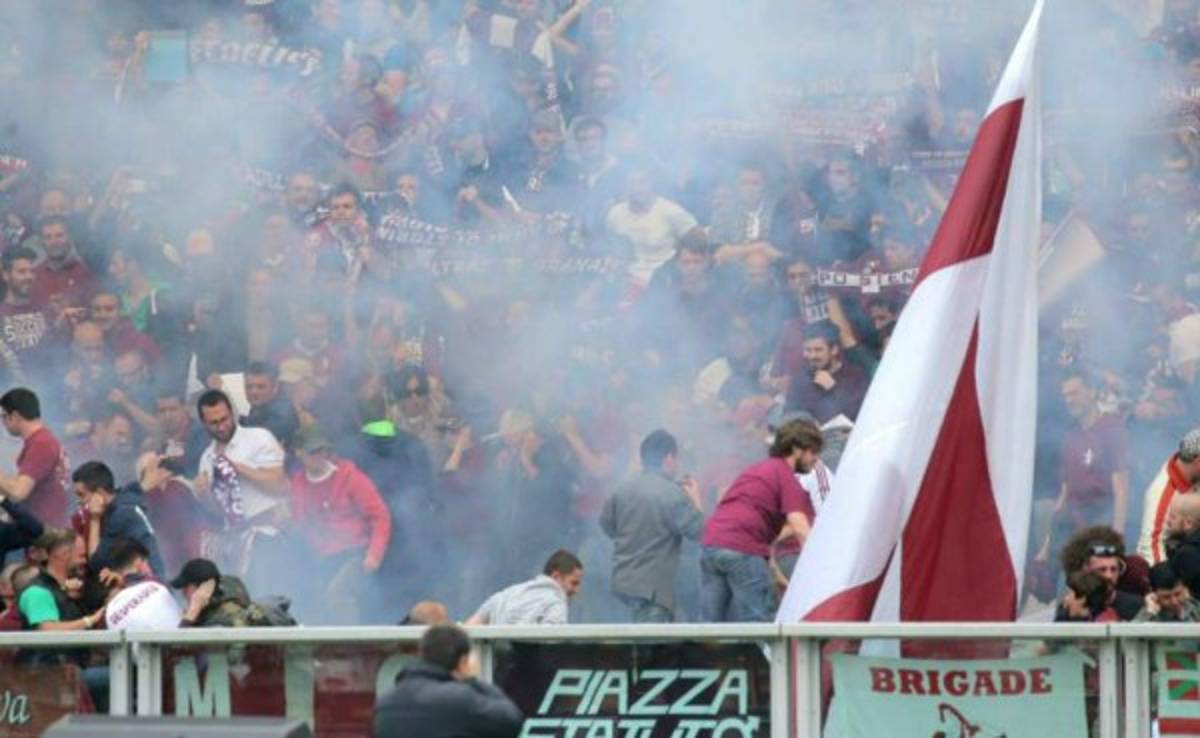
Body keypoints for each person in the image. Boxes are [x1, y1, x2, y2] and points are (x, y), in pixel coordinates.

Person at [700, 418, 822, 622]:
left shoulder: (755, 471)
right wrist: (824, 570)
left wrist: (776, 577)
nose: (816, 459)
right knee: (759, 621)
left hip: (711, 546)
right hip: (742, 549)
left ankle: (708, 654)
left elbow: (761, 540)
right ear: (797, 449)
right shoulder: (786, 477)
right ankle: (765, 655)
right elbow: (800, 528)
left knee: (710, 624)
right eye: (813, 451)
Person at [290, 425, 392, 624]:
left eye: (323, 450)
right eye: (313, 452)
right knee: (312, 603)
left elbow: (380, 516)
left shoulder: (350, 477)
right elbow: (301, 523)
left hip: (355, 555)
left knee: (337, 595)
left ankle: (349, 648)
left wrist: (374, 554)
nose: (320, 456)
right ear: (299, 453)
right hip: (322, 559)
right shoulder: (298, 484)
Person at [600, 430, 704, 623]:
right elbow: (700, 532)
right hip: (652, 591)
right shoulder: (672, 493)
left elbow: (606, 525)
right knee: (650, 649)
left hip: (622, 584)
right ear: (669, 458)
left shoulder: (622, 489)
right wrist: (696, 501)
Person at [194, 389, 288, 591]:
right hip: (233, 542)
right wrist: (205, 495)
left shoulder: (258, 438)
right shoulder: (206, 458)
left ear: (232, 413)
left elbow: (279, 484)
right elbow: (218, 512)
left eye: (225, 419)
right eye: (214, 422)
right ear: (204, 423)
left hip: (265, 537)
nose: (221, 426)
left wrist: (239, 469)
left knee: (266, 598)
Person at [373, 624, 524, 738]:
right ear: (463, 661)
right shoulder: (459, 698)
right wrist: (472, 679)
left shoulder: (386, 703)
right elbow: (511, 721)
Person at [74, 460, 166, 578]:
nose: (79, 501)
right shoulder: (127, 500)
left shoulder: (120, 517)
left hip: (148, 581)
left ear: (99, 493)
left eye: (81, 494)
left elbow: (96, 563)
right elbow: (132, 489)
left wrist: (94, 519)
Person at [0, 387, 70, 526]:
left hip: (44, 534)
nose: (2, 423)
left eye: (3, 416)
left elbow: (19, 492)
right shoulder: (43, 440)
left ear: (15, 416)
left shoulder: (41, 444)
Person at [465, 549, 583, 626]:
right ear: (556, 577)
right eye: (573, 583)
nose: (576, 590)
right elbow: (554, 646)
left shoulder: (506, 594)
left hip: (494, 663)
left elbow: (470, 628)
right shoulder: (556, 604)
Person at [783, 321, 867, 424]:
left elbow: (858, 417)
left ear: (834, 350)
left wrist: (833, 389)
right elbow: (789, 416)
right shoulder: (801, 380)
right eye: (808, 350)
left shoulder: (854, 377)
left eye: (818, 350)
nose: (812, 356)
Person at [1138, 427, 1200, 564]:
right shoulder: (1160, 493)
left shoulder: (1193, 472)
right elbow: (1150, 546)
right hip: (1179, 565)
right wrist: (1168, 583)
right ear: (1198, 462)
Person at [104, 538, 190, 630]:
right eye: (147, 563)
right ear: (138, 563)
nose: (150, 569)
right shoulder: (156, 584)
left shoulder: (111, 603)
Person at [241, 361, 301, 450]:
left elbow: (255, 443)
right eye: (249, 387)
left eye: (261, 387)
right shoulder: (260, 406)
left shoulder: (282, 415)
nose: (254, 392)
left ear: (275, 387)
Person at [1133, 561, 1200, 622]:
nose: (1174, 602)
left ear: (1184, 588)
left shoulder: (1195, 607)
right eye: (1166, 597)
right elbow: (1129, 634)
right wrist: (1149, 613)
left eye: (1177, 594)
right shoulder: (1148, 615)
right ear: (1154, 594)